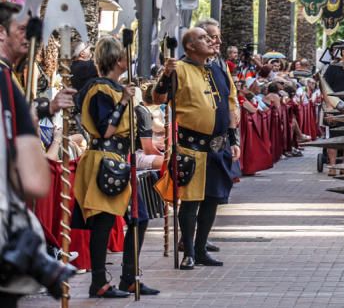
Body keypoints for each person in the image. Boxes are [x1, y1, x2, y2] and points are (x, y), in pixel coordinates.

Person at [71, 36, 158, 297]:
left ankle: (129, 277)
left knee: (139, 218)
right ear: (118, 60)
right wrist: (122, 102)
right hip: (104, 161)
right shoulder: (100, 90)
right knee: (104, 222)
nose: (127, 61)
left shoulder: (116, 88)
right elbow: (105, 129)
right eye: (125, 57)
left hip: (121, 161)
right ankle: (99, 282)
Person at [155, 26, 240, 270]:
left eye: (210, 37)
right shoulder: (178, 68)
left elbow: (229, 105)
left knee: (212, 200)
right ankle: (189, 252)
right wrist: (165, 76)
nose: (212, 40)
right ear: (190, 46)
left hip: (218, 146)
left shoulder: (219, 68)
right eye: (203, 38)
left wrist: (233, 139)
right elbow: (158, 98)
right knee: (191, 202)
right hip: (192, 147)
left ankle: (201, 248)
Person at [1, 2, 65, 306]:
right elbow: (34, 180)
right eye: (22, 30)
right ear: (1, 33)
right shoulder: (5, 80)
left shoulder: (10, 79)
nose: (29, 38)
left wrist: (45, 109)